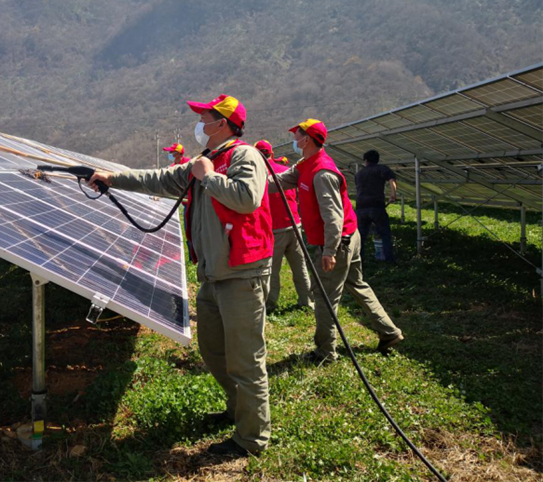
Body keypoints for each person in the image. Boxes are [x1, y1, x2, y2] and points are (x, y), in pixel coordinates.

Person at [90, 95, 273, 457]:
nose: (199, 122)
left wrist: (210, 178)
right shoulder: (204, 162)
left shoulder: (244, 157)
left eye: (205, 116)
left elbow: (248, 199)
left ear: (222, 123)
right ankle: (238, 411)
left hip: (241, 273)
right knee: (214, 350)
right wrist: (114, 178)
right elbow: (159, 179)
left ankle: (252, 439)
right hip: (212, 273)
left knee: (245, 358)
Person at [269, 119, 404, 363]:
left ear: (307, 139)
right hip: (349, 237)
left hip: (339, 241)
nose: (295, 140)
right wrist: (249, 183)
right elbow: (280, 181)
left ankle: (324, 352)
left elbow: (333, 216)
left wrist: (329, 250)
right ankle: (389, 332)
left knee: (324, 296)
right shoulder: (306, 165)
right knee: (358, 285)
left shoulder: (322, 173)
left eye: (297, 136)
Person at [254, 140, 314, 313]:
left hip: (274, 229)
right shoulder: (285, 170)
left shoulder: (258, 174)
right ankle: (307, 301)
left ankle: (271, 303)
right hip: (295, 225)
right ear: (271, 154)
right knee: (300, 265)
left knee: (272, 269)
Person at [355, 149, 397, 263]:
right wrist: (393, 194)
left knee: (360, 237)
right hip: (377, 206)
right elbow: (391, 180)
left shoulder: (359, 174)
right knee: (385, 234)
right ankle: (389, 261)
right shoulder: (382, 169)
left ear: (366, 161)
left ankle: (359, 261)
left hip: (361, 207)